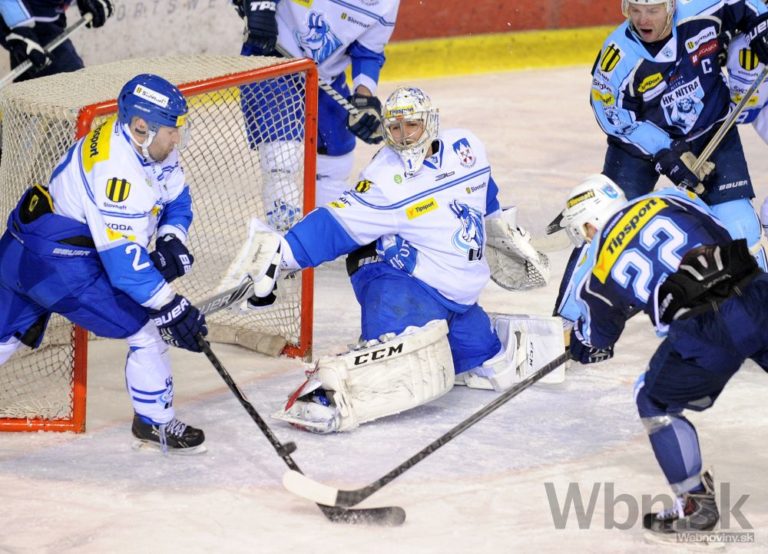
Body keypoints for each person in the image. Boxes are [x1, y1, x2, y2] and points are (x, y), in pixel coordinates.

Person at [227, 86, 556, 433]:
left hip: (453, 294)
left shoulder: (466, 149)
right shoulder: (385, 177)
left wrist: (501, 229)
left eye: (411, 125)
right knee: (392, 370)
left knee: (487, 358)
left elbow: (484, 191)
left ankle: (437, 332)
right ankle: (325, 391)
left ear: (431, 123)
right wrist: (284, 253)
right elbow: (335, 223)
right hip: (398, 281)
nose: (404, 136)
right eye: (395, 128)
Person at [0, 74, 208, 453]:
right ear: (141, 126)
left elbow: (177, 197)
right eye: (172, 131)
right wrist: (171, 306)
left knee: (4, 338)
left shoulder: (142, 143)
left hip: (24, 245)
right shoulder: (118, 173)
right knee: (147, 329)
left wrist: (170, 237)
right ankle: (155, 422)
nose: (177, 138)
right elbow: (125, 270)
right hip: (60, 268)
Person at [551, 173, 768, 537]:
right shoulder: (667, 198)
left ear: (589, 224)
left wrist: (580, 345)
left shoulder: (598, 269)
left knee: (651, 399)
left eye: (583, 231)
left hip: (702, 331)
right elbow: (720, 233)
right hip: (755, 293)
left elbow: (597, 341)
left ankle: (694, 506)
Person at [590, 0, 768, 268]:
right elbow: (609, 113)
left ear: (671, 6)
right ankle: (587, 294)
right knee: (609, 226)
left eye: (652, 10)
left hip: (709, 129)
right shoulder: (618, 55)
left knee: (740, 229)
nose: (642, 19)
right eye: (635, 10)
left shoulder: (700, 8)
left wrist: (762, 26)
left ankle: (758, 293)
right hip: (642, 143)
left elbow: (746, 4)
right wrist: (664, 150)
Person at [231, 0, 399, 216]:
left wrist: (364, 98)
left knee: (337, 164)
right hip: (271, 59)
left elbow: (368, 52)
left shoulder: (387, 4)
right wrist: (259, 5)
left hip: (323, 76)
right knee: (281, 158)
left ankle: (326, 229)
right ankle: (285, 230)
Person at [0, 0, 113, 82]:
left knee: (27, 92)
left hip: (49, 20)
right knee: (74, 86)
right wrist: (18, 27)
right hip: (33, 28)